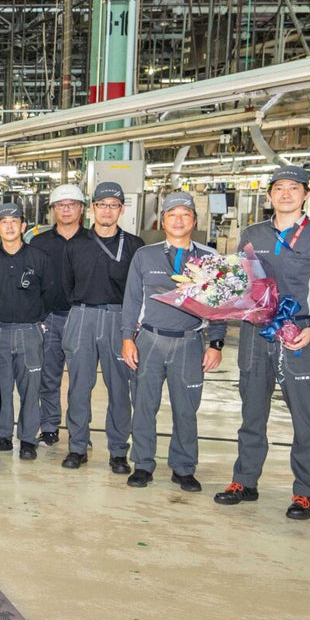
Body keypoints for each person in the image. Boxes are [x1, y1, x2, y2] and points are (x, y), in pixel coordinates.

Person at [216, 165, 310, 520]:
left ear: (307, 194)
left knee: (306, 418)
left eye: (294, 188)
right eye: (279, 188)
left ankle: (305, 492)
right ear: (269, 194)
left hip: (298, 333)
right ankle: (245, 481)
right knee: (251, 412)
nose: (286, 194)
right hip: (256, 334)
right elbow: (240, 279)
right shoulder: (252, 233)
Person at [119, 191, 223, 492]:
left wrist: (215, 343)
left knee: (186, 409)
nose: (178, 220)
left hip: (189, 343)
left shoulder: (210, 258)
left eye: (185, 215)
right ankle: (142, 464)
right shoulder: (145, 256)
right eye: (172, 215)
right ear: (162, 221)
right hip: (150, 340)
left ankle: (184, 467)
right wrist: (127, 338)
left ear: (194, 221)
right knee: (144, 405)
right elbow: (131, 300)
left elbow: (220, 303)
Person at [61, 182, 145, 474]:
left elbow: (140, 289)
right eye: (102, 204)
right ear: (92, 208)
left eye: (113, 205)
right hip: (81, 315)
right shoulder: (75, 244)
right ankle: (77, 447)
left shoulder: (135, 246)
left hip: (119, 318)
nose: (107, 210)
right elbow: (67, 285)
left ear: (122, 209)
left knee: (120, 388)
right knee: (78, 387)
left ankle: (118, 451)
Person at [0, 203, 48, 460]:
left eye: (14, 221)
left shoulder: (38, 257)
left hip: (29, 331)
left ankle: (28, 439)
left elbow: (48, 292)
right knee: (1, 387)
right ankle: (2, 435)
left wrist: (36, 319)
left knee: (31, 387)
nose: (9, 226)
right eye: (3, 222)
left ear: (23, 226)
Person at [29, 183, 86, 446]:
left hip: (82, 318)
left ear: (81, 208)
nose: (66, 210)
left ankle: (79, 431)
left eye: (71, 205)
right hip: (49, 318)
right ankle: (49, 426)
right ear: (53, 209)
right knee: (48, 376)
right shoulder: (39, 243)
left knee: (81, 380)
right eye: (60, 205)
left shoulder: (92, 241)